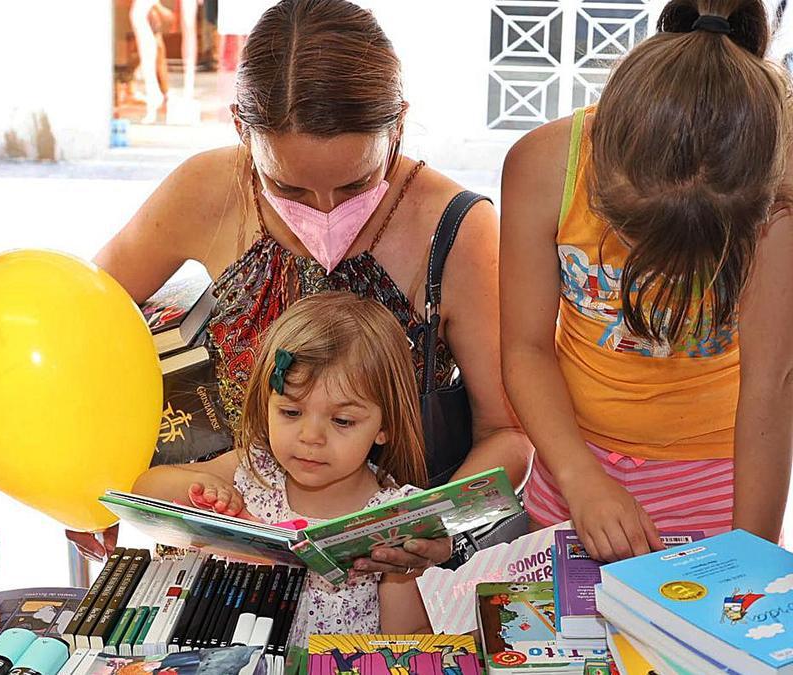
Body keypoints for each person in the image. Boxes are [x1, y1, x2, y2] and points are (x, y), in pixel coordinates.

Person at [93, 0, 531, 573]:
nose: (325, 212)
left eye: (356, 185)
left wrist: (434, 529)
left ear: (398, 124)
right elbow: (83, 322)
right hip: (229, 556)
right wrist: (83, 480)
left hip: (397, 575)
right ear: (241, 131)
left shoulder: (457, 232)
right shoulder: (204, 190)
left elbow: (507, 432)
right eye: (289, 189)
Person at [500, 0, 793, 562]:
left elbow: (769, 390)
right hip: (572, 451)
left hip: (724, 468)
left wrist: (749, 567)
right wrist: (578, 476)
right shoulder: (544, 165)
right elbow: (525, 348)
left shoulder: (777, 194)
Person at [133, 292, 433, 643]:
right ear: (267, 405)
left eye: (342, 420)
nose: (310, 437)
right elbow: (144, 491)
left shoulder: (389, 517)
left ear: (385, 426)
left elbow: (407, 638)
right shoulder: (255, 470)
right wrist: (201, 484)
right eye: (291, 413)